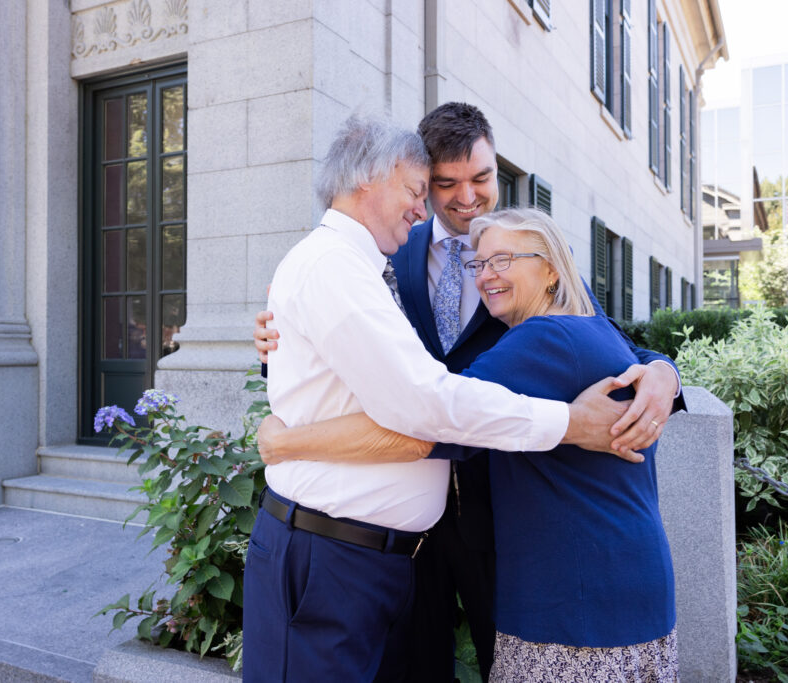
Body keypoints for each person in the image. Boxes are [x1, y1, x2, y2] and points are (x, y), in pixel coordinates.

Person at [253, 102, 683, 680]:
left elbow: (598, 337)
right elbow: (353, 361)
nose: (465, 197)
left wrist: (664, 373)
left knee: (507, 658)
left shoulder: (534, 253)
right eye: (441, 184)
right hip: (406, 541)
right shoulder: (380, 252)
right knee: (412, 669)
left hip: (501, 518)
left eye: (480, 179)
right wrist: (278, 348)